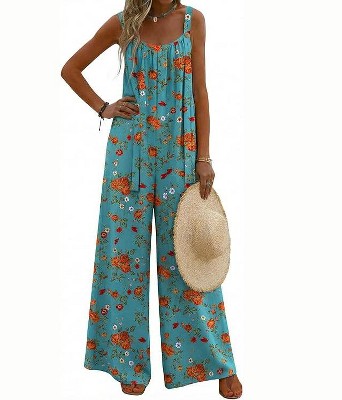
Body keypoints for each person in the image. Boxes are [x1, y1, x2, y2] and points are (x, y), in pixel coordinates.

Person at [61, 1, 242, 397]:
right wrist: (103, 107)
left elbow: (200, 92)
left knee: (189, 256)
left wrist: (204, 157)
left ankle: (218, 363)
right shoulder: (123, 24)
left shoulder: (193, 21)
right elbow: (70, 69)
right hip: (129, 155)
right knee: (122, 257)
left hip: (181, 152)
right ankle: (126, 362)